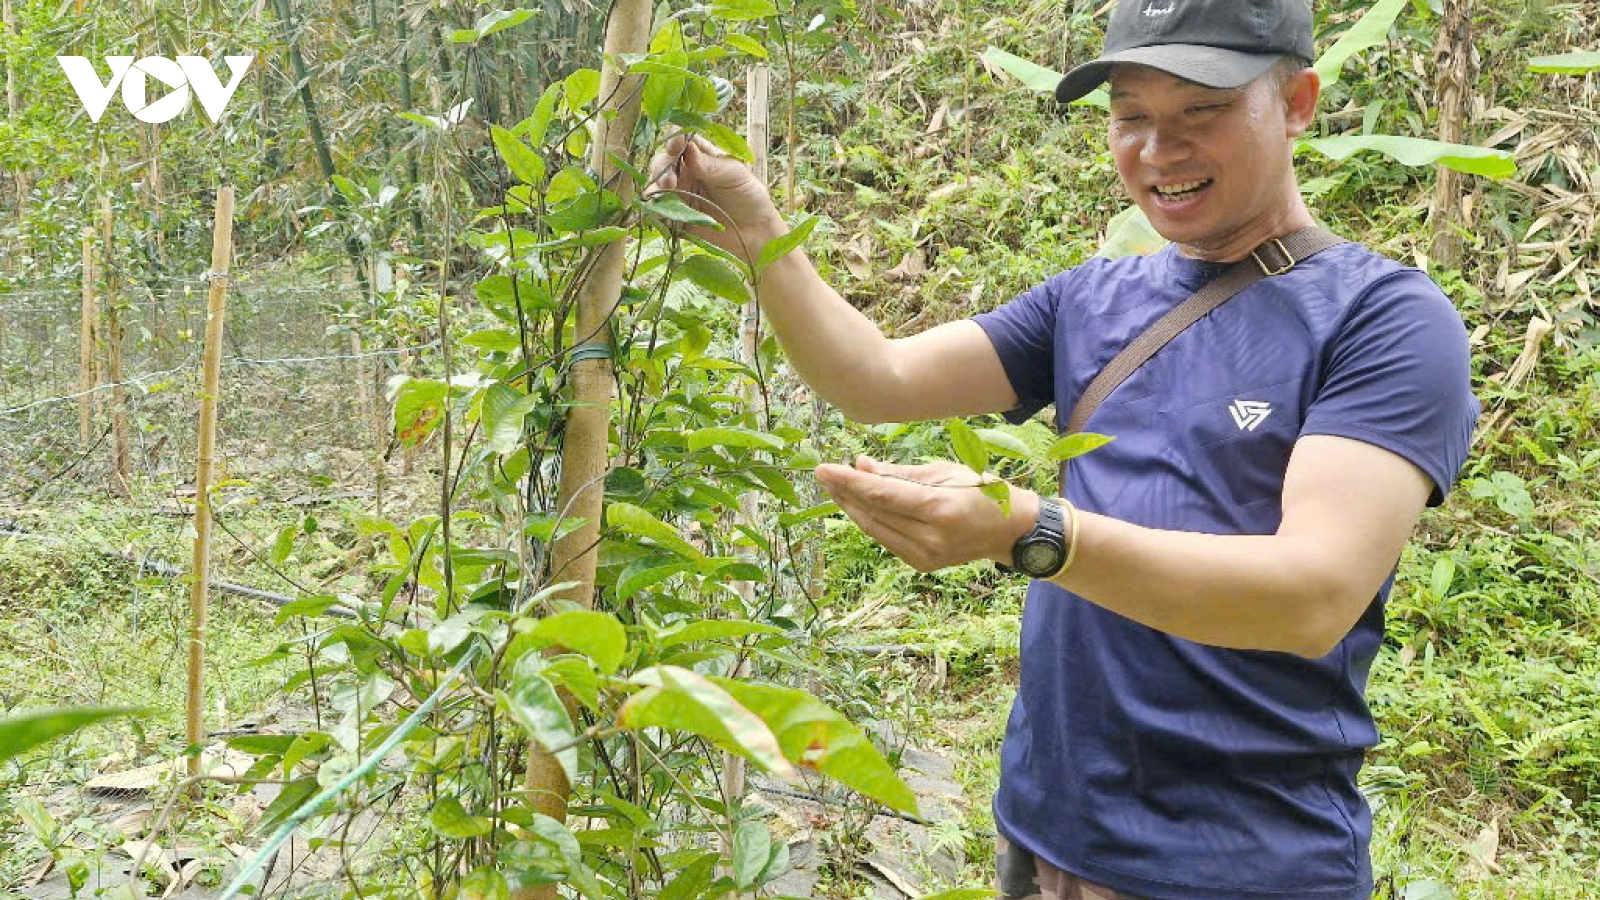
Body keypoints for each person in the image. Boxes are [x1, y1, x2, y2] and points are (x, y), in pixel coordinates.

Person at [651, 0, 1478, 897]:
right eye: (1132, 117)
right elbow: (876, 379)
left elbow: (1310, 598)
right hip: (1047, 837)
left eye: (1202, 110)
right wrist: (756, 227)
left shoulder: (1384, 321)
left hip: (1243, 863)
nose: (1161, 151)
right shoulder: (1092, 300)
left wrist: (1030, 531)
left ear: (1299, 102)